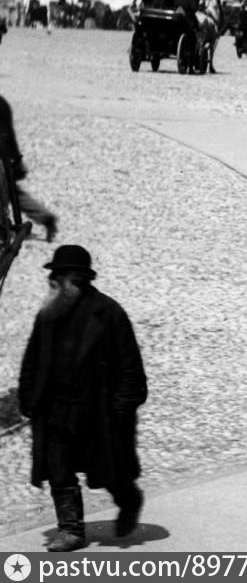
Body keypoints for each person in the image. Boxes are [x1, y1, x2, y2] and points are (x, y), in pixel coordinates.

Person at [18, 245, 148, 550]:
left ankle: (129, 500)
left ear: (76, 279)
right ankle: (72, 531)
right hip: (54, 408)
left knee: (109, 470)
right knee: (59, 469)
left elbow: (131, 369)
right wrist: (28, 397)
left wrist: (120, 410)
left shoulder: (109, 313)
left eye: (58, 276)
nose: (52, 282)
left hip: (97, 410)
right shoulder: (48, 313)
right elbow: (32, 359)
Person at [0, 95, 59, 241]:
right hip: (7, 156)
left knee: (9, 193)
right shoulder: (2, 103)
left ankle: (4, 228)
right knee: (13, 192)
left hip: (3, 158)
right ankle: (45, 216)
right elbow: (9, 134)